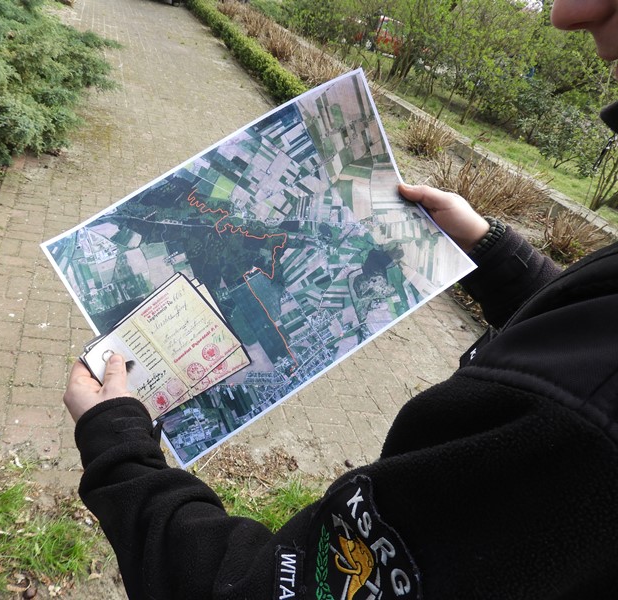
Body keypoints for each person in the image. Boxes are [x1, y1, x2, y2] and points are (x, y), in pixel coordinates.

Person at [62, 0, 618, 597]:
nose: (564, 14)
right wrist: (497, 258)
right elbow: (582, 343)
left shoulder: (575, 434)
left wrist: (119, 451)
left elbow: (268, 589)